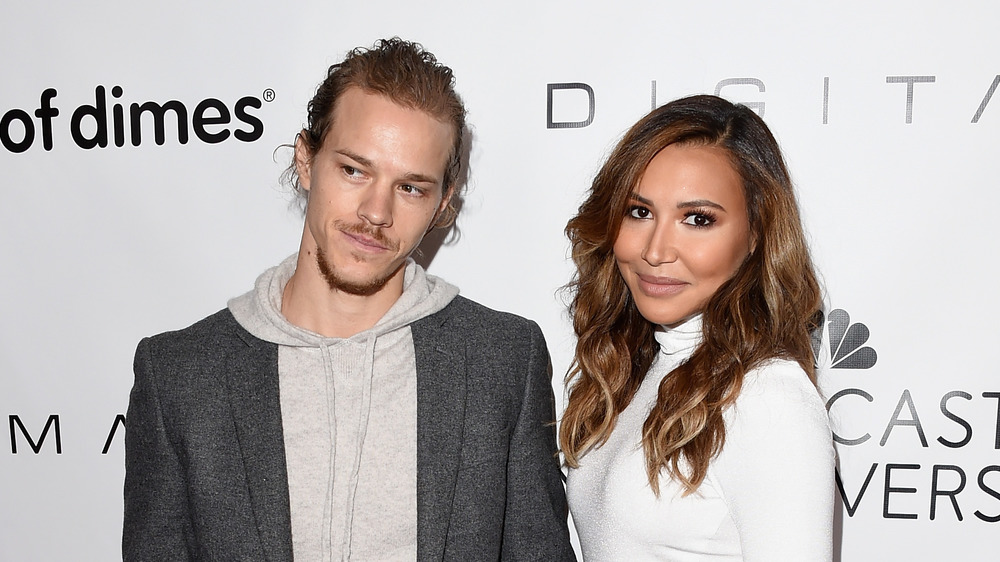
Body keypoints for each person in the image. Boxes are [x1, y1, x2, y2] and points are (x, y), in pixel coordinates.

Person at [123, 38, 575, 562]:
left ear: (442, 203)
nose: (376, 211)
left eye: (410, 188)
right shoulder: (179, 374)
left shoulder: (501, 359)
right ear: (306, 160)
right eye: (354, 170)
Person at [560, 95, 835, 561]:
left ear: (756, 235)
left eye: (698, 219)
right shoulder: (631, 371)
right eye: (639, 212)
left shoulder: (770, 398)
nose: (656, 250)